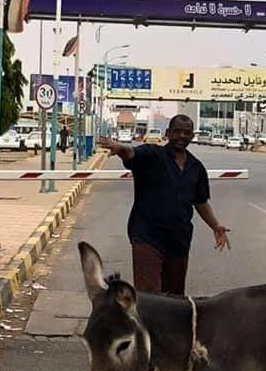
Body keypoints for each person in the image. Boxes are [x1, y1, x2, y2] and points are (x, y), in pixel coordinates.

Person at [99, 114, 231, 294]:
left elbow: (200, 201)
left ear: (192, 136)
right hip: (147, 236)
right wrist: (120, 148)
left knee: (174, 300)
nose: (182, 136)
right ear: (168, 133)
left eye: (187, 133)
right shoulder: (152, 155)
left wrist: (215, 226)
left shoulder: (196, 168)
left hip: (179, 241)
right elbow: (131, 153)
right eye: (177, 132)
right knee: (150, 297)